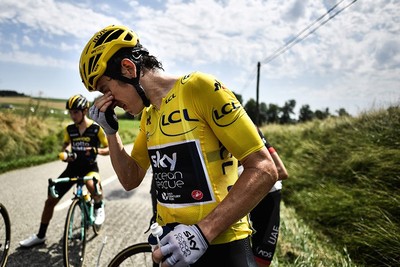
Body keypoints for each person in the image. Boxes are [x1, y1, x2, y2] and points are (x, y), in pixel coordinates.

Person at [79, 24, 278, 267]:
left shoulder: (199, 88)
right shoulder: (149, 116)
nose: (107, 102)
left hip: (222, 245)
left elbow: (264, 169)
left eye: (106, 90)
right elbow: (130, 179)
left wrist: (201, 233)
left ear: (128, 69)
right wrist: (111, 133)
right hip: (171, 246)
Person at [19, 94, 109, 248]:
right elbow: (66, 145)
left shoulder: (96, 129)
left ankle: (99, 207)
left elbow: (108, 149)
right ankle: (40, 236)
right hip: (72, 169)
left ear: (85, 110)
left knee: (91, 183)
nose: (73, 116)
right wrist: (66, 154)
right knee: (50, 200)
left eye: (76, 112)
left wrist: (96, 150)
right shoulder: (70, 129)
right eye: (71, 112)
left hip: (89, 169)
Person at [247, 128, 288, 267]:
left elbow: (281, 171)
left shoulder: (249, 128)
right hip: (244, 193)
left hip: (267, 195)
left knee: (260, 261)